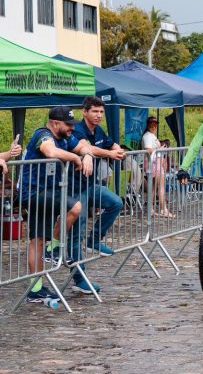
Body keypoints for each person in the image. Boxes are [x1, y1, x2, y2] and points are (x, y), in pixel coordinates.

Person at [20, 106, 95, 302]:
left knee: (37, 240)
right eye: (68, 125)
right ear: (55, 123)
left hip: (49, 192)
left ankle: (35, 289)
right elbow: (49, 151)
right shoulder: (43, 135)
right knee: (76, 207)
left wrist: (86, 155)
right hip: (35, 192)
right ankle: (53, 249)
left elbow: (84, 146)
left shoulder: (65, 137)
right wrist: (75, 158)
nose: (72, 128)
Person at [68, 97, 125, 259]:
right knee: (80, 223)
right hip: (75, 186)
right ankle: (73, 260)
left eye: (101, 112)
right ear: (84, 112)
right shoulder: (77, 129)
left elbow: (109, 143)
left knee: (116, 203)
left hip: (91, 184)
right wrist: (111, 154)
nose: (99, 115)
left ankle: (93, 241)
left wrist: (118, 150)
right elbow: (87, 147)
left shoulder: (98, 130)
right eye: (95, 111)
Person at [142, 116, 172, 217]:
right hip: (154, 162)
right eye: (151, 124)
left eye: (155, 124)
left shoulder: (150, 136)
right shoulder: (148, 136)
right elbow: (148, 150)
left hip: (154, 162)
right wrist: (161, 149)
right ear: (148, 125)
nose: (153, 126)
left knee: (153, 188)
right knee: (161, 187)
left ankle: (151, 209)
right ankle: (164, 209)